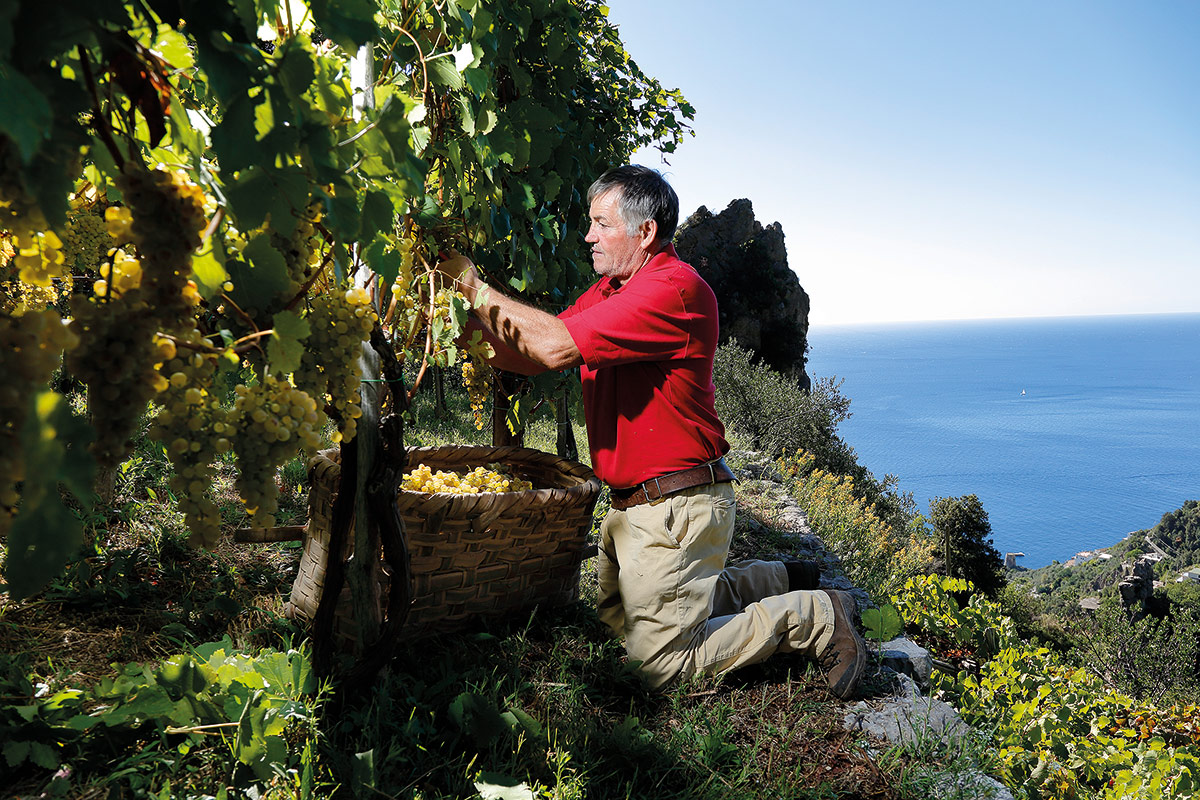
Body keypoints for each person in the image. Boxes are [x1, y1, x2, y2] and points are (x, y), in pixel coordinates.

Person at [440, 165, 866, 697]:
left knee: (658, 665)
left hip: (675, 506)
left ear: (643, 232)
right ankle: (778, 579)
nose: (588, 235)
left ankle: (817, 615)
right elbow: (532, 357)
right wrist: (451, 320)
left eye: (600, 224)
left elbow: (552, 344)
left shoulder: (673, 291)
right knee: (615, 626)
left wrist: (474, 287)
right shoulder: (612, 292)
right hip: (636, 507)